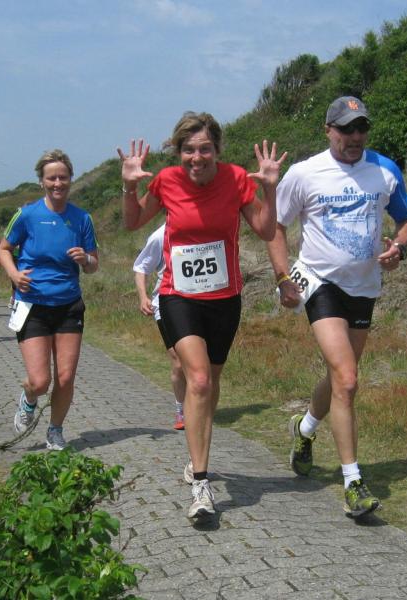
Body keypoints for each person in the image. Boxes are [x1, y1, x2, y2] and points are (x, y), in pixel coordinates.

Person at [118, 111, 286, 521]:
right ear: (179, 152)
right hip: (179, 295)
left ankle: (196, 453)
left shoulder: (236, 179)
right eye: (189, 150)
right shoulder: (166, 181)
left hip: (225, 298)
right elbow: (132, 221)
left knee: (211, 383)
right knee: (198, 380)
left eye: (205, 149)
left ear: (217, 149)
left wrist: (270, 190)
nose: (197, 158)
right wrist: (129, 186)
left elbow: (266, 230)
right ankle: (201, 484)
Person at [266, 96, 407, 518]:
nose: (354, 137)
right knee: (348, 380)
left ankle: (304, 428)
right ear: (328, 130)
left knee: (340, 377)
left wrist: (400, 247)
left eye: (361, 128)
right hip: (320, 283)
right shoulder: (304, 173)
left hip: (364, 287)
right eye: (346, 129)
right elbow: (274, 225)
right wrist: (282, 277)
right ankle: (353, 483)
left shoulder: (385, 170)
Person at [0, 149, 98, 451]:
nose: (58, 183)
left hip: (69, 305)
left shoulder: (82, 218)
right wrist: (14, 274)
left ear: (70, 179)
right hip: (33, 305)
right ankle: (29, 399)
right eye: (51, 178)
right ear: (41, 181)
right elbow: (3, 248)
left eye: (63, 177)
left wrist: (85, 259)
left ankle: (55, 430)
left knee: (65, 378)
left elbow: (93, 265)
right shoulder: (27, 215)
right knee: (40, 382)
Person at [132, 223, 186, 430]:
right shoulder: (160, 236)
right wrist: (143, 296)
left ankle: (198, 402)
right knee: (178, 360)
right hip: (166, 304)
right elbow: (141, 267)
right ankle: (182, 410)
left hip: (199, 304)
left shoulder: (202, 228)